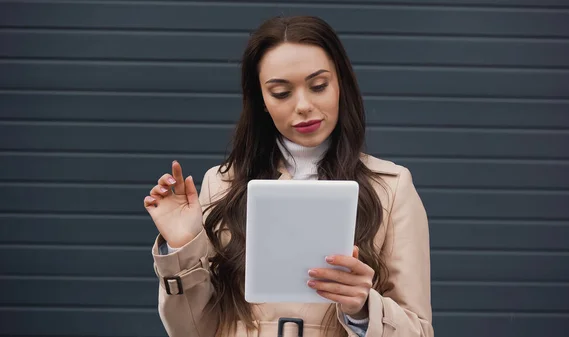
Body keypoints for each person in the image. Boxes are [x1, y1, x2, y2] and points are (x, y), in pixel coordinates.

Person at [144, 15, 433, 337]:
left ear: (341, 85)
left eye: (319, 86)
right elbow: (191, 331)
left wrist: (364, 308)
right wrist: (182, 246)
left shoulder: (391, 188)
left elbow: (419, 330)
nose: (304, 106)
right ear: (262, 102)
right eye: (281, 92)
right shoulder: (223, 183)